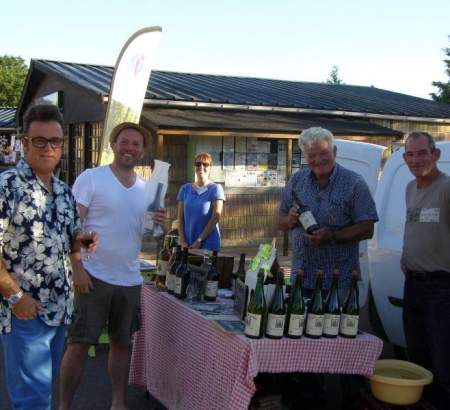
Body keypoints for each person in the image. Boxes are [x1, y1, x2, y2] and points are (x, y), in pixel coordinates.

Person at [59, 122, 166, 410]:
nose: (130, 148)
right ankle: (64, 406)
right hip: (93, 276)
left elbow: (148, 235)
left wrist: (159, 225)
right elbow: (71, 225)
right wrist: (78, 268)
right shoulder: (91, 178)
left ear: (142, 151)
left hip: (129, 279)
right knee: (79, 344)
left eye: (136, 144)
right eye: (125, 142)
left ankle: (118, 402)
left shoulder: (147, 190)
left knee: (122, 345)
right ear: (113, 145)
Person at [0, 104, 93, 410]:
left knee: (42, 393)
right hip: (26, 310)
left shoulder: (65, 191)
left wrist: (82, 243)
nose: (48, 147)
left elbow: (70, 241)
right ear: (24, 142)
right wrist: (15, 297)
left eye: (55, 141)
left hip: (60, 310)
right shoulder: (8, 186)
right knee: (33, 400)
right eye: (39, 140)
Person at [278, 126, 378, 408]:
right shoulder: (297, 181)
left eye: (323, 154)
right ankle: (312, 399)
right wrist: (290, 220)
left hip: (340, 281)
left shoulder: (354, 183)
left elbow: (367, 227)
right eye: (311, 156)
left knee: (343, 344)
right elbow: (280, 219)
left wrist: (332, 236)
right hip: (303, 277)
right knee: (306, 342)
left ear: (334, 151)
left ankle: (352, 399)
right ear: (305, 157)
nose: (318, 160)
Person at [401, 131, 450, 409]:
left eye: (422, 153)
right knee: (418, 359)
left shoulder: (446, 188)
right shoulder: (410, 188)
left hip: (442, 287)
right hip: (413, 284)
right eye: (410, 154)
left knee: (443, 361)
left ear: (436, 154)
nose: (416, 159)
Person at [177, 152, 225, 252]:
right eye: (198, 164)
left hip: (208, 242)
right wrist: (182, 240)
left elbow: (216, 217)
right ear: (194, 167)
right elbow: (180, 218)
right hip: (187, 242)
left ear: (210, 167)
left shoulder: (216, 189)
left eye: (205, 164)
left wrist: (200, 240)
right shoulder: (185, 189)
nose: (201, 167)